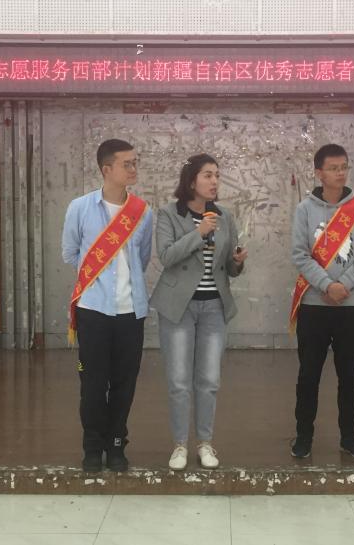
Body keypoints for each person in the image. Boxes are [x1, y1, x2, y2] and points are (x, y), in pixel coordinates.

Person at [61, 139, 154, 473]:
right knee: (93, 383)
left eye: (135, 162)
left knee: (124, 383)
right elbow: (70, 253)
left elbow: (142, 258)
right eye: (127, 163)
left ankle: (116, 444)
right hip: (93, 310)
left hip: (131, 312)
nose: (133, 168)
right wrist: (97, 279)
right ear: (106, 169)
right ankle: (92, 446)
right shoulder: (80, 208)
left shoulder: (143, 212)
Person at [151, 154, 247, 470]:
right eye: (208, 175)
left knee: (209, 380)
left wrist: (238, 262)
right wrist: (199, 233)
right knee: (179, 380)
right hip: (178, 306)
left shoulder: (224, 216)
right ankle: (179, 445)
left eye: (217, 175)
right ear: (191, 181)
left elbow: (228, 268)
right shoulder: (169, 214)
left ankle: (205, 443)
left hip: (214, 307)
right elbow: (166, 256)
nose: (214, 181)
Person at [289, 143, 354, 461]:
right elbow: (300, 254)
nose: (340, 173)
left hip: (349, 307)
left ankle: (349, 437)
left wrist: (345, 285)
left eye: (344, 167)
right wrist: (327, 285)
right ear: (319, 173)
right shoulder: (304, 210)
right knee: (308, 375)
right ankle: (303, 436)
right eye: (333, 168)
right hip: (314, 305)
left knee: (349, 376)